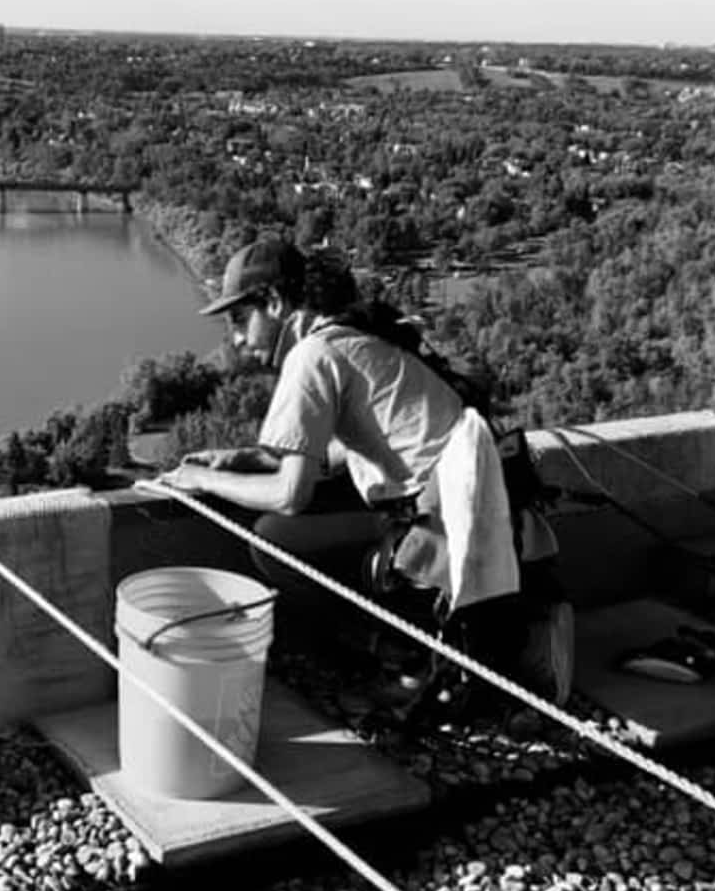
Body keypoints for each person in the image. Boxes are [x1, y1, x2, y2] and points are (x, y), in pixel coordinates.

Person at [158, 239, 570, 712]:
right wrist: (243, 459)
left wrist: (204, 481)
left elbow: (290, 494)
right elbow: (339, 450)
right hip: (472, 505)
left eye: (238, 319)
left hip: (432, 522)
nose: (235, 338)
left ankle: (408, 658)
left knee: (275, 539)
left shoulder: (311, 354)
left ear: (274, 303)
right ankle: (413, 650)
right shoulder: (352, 333)